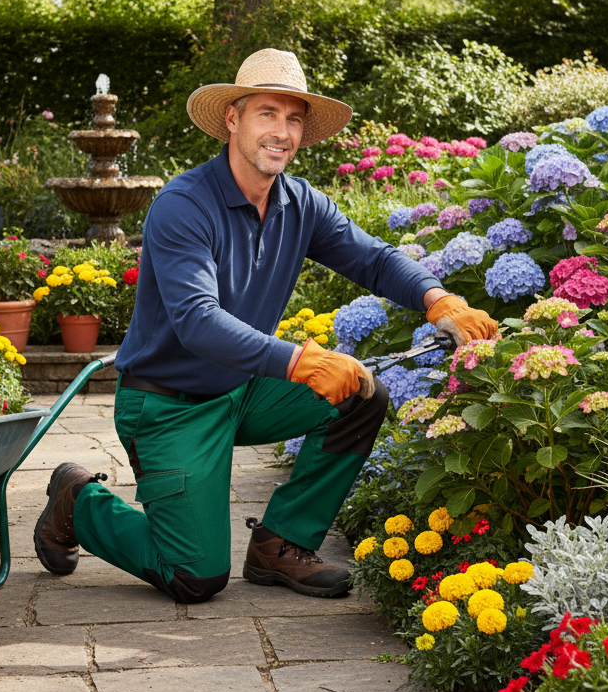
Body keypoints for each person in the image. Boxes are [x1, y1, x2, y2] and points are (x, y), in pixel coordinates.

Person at [33, 48, 498, 603]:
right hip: (166, 404)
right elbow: (197, 322)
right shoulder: (184, 205)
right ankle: (79, 501)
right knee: (194, 577)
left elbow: (373, 259)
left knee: (360, 393)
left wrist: (438, 299)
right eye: (267, 114)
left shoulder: (300, 203)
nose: (282, 131)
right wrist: (301, 361)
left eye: (293, 118)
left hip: (241, 388)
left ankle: (281, 544)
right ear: (233, 119)